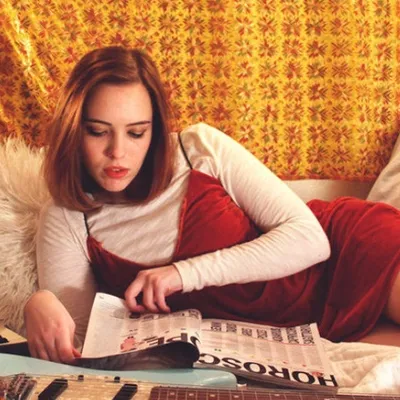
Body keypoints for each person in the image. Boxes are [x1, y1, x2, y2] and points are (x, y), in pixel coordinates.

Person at [24, 46, 400, 365]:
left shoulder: (198, 148)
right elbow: (84, 348)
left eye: (137, 132)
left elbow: (310, 239)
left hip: (348, 257)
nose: (118, 151)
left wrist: (182, 274)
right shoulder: (66, 217)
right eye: (98, 131)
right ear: (73, 128)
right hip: (297, 334)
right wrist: (39, 302)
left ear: (155, 128)